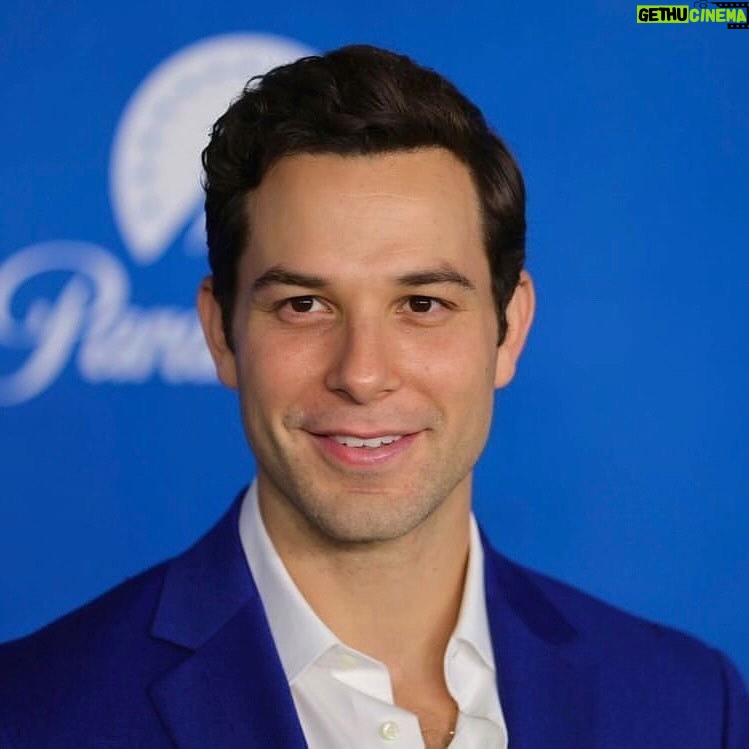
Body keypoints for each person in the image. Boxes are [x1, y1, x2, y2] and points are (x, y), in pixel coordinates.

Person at [0, 44, 746, 749]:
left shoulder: (686, 705)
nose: (361, 373)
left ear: (508, 328)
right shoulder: (31, 713)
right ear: (222, 333)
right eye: (303, 305)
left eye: (421, 304)